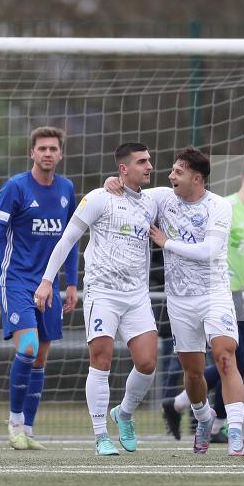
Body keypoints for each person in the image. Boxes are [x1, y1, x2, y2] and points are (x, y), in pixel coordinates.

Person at [105, 149, 244, 455]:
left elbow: (209, 250)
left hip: (215, 295)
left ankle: (235, 431)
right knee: (193, 371)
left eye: (179, 172)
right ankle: (203, 418)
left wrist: (167, 243)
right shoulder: (162, 198)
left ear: (197, 178)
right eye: (172, 170)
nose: (171, 176)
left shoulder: (219, 206)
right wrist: (113, 182)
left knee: (225, 357)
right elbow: (131, 194)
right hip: (179, 301)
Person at [35, 143, 159, 456]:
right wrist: (48, 281)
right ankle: (101, 435)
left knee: (147, 363)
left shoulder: (153, 201)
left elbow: (184, 196)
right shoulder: (98, 198)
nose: (149, 166)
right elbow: (67, 240)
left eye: (149, 161)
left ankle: (124, 414)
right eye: (142, 162)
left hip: (137, 296)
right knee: (101, 359)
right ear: (123, 168)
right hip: (102, 293)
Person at [162, 159, 244, 441]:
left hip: (234, 295)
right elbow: (204, 246)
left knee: (237, 362)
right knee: (229, 361)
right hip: (214, 293)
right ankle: (199, 414)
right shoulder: (224, 206)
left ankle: (187, 409)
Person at [0, 126, 78, 451]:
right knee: (29, 347)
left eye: (53, 148)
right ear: (31, 153)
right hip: (16, 281)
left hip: (49, 285)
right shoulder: (15, 187)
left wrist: (72, 282)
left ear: (60, 154)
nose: (48, 153)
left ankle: (29, 430)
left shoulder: (67, 188)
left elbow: (70, 239)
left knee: (40, 358)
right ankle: (14, 423)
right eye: (42, 148)